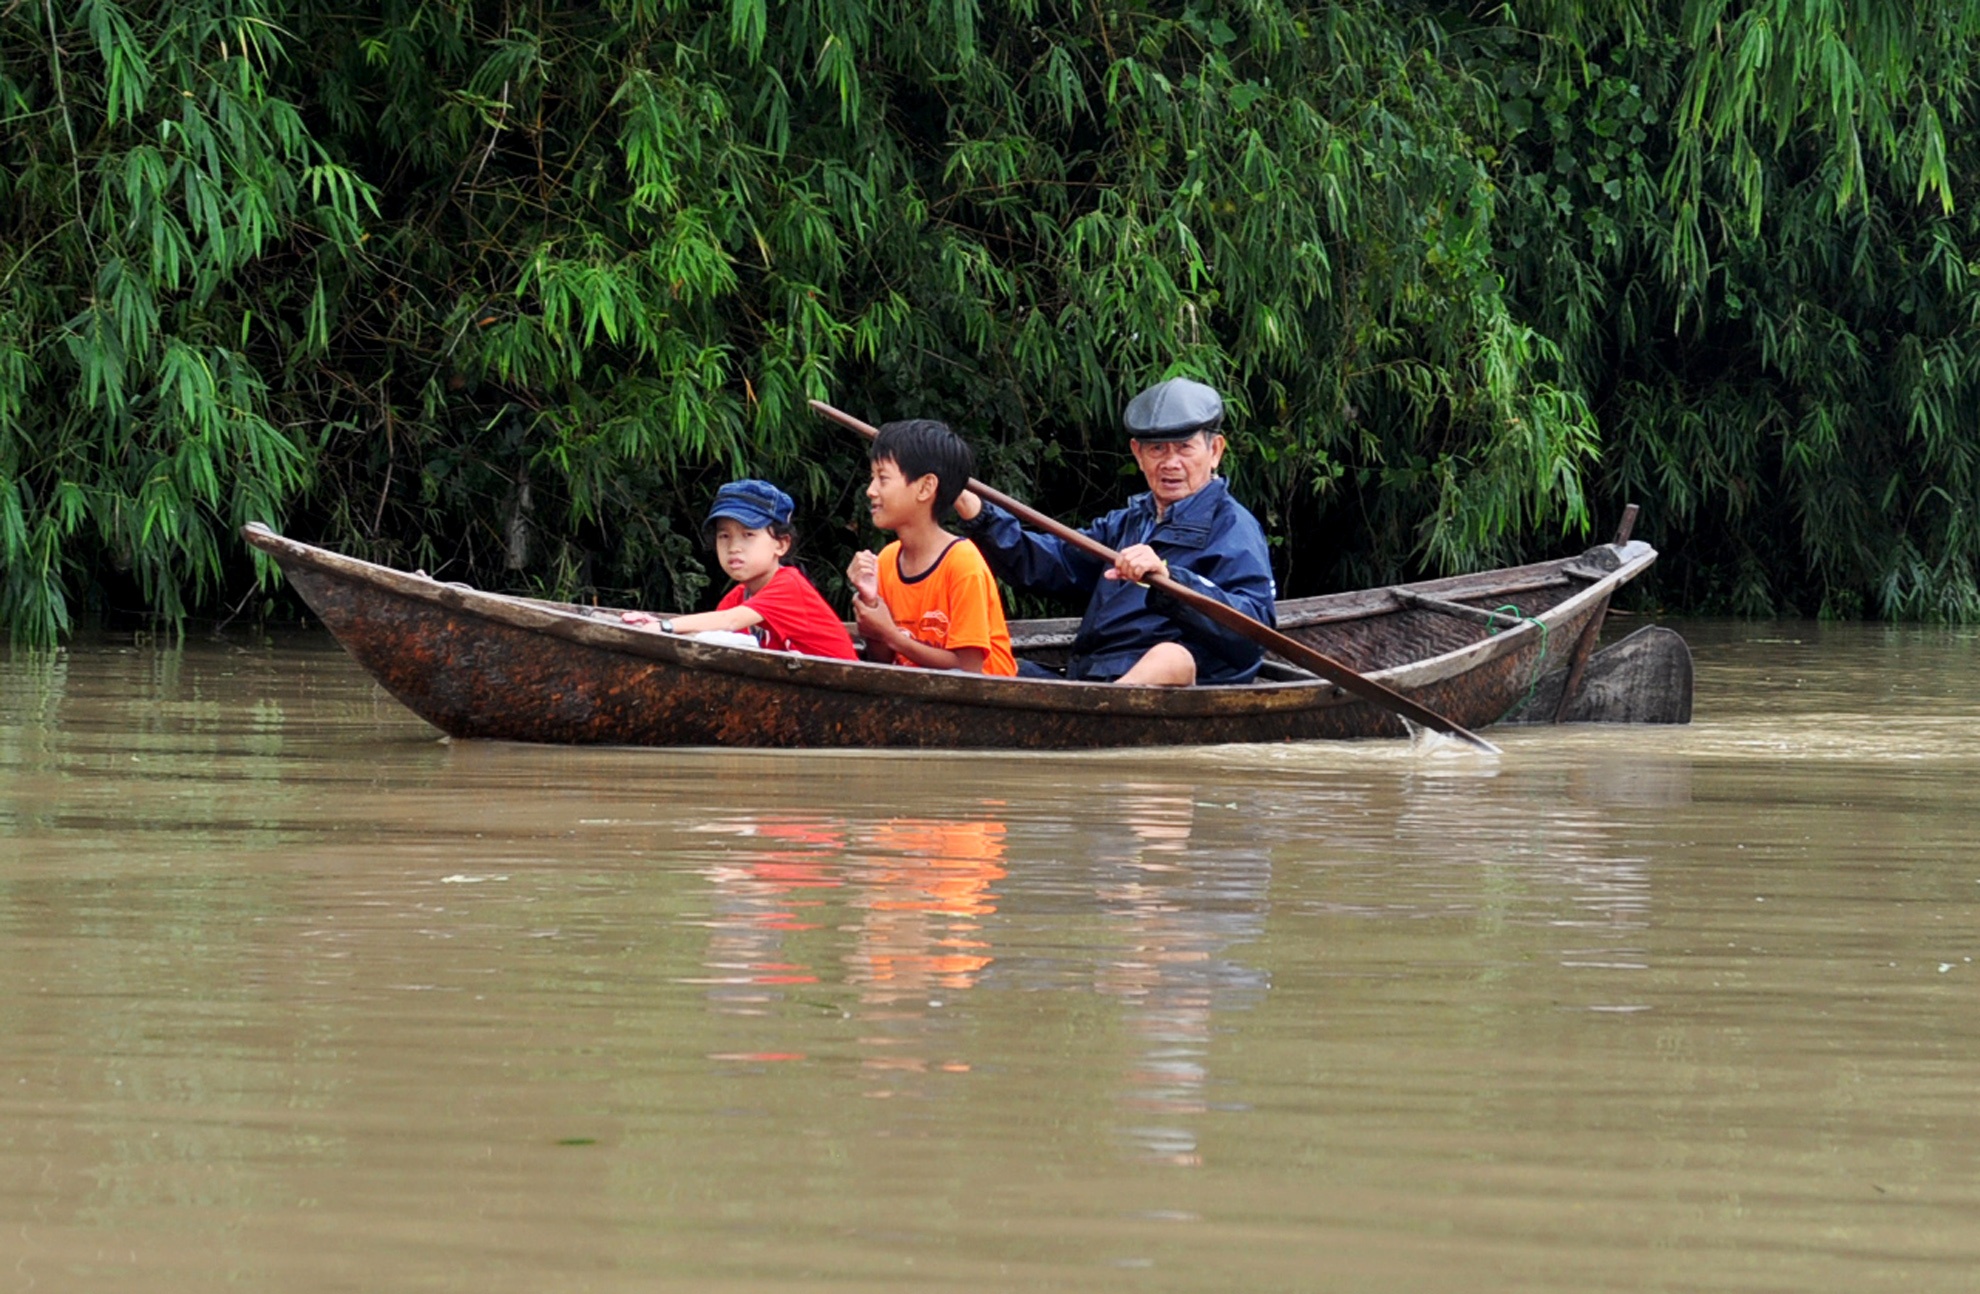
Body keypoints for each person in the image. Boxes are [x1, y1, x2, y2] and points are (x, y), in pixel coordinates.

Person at [955, 377, 1275, 686]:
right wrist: (980, 515)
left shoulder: (1234, 526)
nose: (1171, 463)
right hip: (1094, 675)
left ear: (1215, 451)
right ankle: (1094, 706)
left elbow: (1254, 631)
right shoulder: (1127, 523)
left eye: (1184, 448)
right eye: (1158, 450)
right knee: (987, 666)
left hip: (1175, 682)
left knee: (1169, 657)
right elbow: (1052, 563)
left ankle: (1103, 712)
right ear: (1138, 454)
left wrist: (1170, 579)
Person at [845, 420, 1017, 676]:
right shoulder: (889, 558)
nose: (871, 491)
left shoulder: (962, 563)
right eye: (872, 478)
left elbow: (968, 670)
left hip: (985, 702)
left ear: (926, 487)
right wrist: (871, 605)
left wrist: (892, 635)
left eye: (882, 479)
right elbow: (882, 659)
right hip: (924, 695)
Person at [621, 479, 859, 660]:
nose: (734, 547)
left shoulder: (788, 586)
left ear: (781, 544)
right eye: (724, 536)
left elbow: (729, 621)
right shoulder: (737, 598)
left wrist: (664, 626)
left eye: (748, 535)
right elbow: (711, 635)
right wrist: (651, 626)